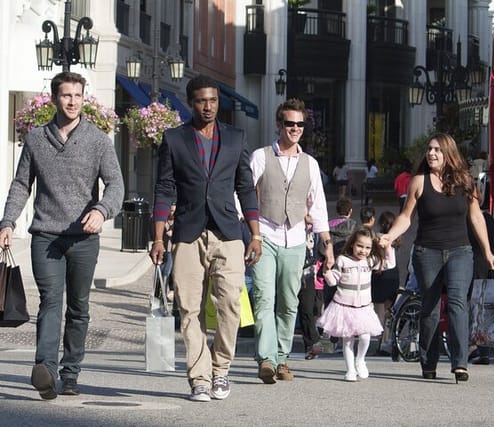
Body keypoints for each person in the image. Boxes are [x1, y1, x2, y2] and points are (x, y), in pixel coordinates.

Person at [0, 71, 125, 400]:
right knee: (50, 302)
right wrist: (7, 222)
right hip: (46, 236)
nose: (73, 101)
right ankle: (45, 369)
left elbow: (116, 185)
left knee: (79, 307)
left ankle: (70, 372)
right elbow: (20, 185)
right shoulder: (37, 139)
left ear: (84, 99)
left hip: (84, 239)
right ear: (55, 98)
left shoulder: (98, 141)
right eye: (67, 95)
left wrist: (101, 211)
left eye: (78, 96)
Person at [150, 74, 262, 402]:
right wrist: (158, 238)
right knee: (189, 308)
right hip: (188, 232)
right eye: (202, 101)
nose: (209, 106)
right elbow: (164, 189)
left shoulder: (236, 138)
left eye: (213, 100)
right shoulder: (174, 139)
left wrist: (255, 233)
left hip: (228, 231)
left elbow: (246, 187)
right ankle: (199, 377)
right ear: (191, 102)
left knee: (229, 303)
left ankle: (221, 369)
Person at [379, 133, 494, 383]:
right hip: (427, 251)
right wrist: (389, 237)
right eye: (429, 149)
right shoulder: (419, 182)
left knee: (457, 302)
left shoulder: (466, 181)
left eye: (437, 150)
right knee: (430, 308)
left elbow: (476, 217)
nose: (431, 154)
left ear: (448, 153)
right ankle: (429, 361)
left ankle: (460, 363)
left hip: (460, 251)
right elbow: (406, 217)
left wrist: (487, 250)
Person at [250, 98, 335, 384]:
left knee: (288, 302)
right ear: (279, 125)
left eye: (299, 124)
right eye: (290, 123)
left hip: (296, 238)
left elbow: (318, 203)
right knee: (264, 298)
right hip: (265, 234)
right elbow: (245, 195)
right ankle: (266, 359)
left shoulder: (310, 164)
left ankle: (282, 357)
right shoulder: (261, 157)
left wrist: (326, 241)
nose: (295, 129)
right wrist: (249, 230)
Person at [318, 226, 395, 381]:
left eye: (367, 247)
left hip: (363, 308)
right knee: (347, 340)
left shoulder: (370, 261)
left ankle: (360, 360)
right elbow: (333, 281)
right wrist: (326, 271)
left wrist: (388, 247)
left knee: (365, 337)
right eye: (360, 246)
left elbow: (390, 264)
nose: (363, 251)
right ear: (352, 244)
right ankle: (350, 370)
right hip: (344, 307)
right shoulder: (343, 260)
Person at [468, 211, 494, 365]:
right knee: (489, 310)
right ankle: (487, 350)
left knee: (474, 308)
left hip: (475, 264)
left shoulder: (468, 218)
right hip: (493, 264)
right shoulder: (488, 218)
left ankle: (475, 346)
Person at [372, 211, 400, 355]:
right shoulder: (396, 238)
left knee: (379, 311)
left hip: (379, 272)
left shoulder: (377, 237)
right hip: (393, 273)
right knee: (389, 310)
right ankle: (388, 340)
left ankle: (379, 342)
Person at [297, 215, 324, 360]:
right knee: (287, 308)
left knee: (307, 309)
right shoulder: (294, 227)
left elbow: (320, 252)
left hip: (308, 273)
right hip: (292, 269)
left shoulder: (316, 231)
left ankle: (312, 343)